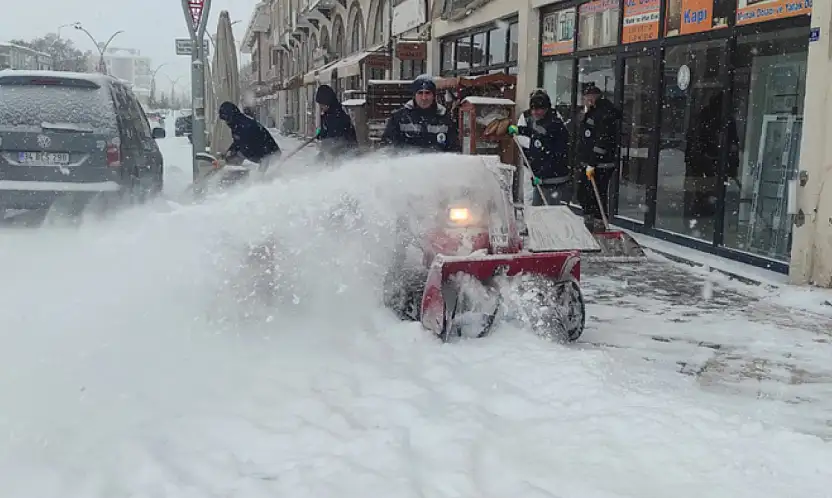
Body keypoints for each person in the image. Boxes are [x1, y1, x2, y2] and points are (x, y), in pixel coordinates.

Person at [507, 89, 571, 206]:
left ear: (546, 109)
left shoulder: (554, 126)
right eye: (532, 109)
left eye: (538, 109)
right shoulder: (541, 122)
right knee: (537, 210)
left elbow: (554, 155)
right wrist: (519, 130)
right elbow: (533, 132)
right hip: (541, 179)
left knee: (551, 211)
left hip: (553, 180)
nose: (534, 112)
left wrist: (542, 174)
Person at [577, 84, 622, 232]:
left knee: (597, 194)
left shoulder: (604, 113)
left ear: (594, 97)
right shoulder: (591, 112)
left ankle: (599, 223)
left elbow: (602, 141)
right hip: (589, 162)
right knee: (584, 193)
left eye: (587, 97)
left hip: (600, 164)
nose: (585, 100)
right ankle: (589, 220)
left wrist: (592, 162)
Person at [381, 75, 459, 153]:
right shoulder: (399, 118)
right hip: (406, 159)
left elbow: (454, 149)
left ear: (433, 96)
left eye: (427, 93)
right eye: (420, 93)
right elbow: (388, 146)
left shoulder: (445, 118)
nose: (424, 98)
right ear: (414, 95)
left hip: (437, 160)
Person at [218, 101, 281, 171]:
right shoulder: (237, 124)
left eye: (226, 119)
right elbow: (237, 143)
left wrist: (227, 160)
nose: (226, 122)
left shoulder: (244, 125)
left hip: (270, 155)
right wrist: (228, 153)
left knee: (241, 154)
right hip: (264, 153)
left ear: (230, 116)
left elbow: (243, 146)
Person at [314, 84, 358, 162]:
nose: (321, 107)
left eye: (322, 104)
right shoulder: (327, 114)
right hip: (335, 151)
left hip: (346, 152)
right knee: (318, 161)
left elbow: (336, 138)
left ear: (327, 102)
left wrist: (325, 140)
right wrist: (321, 134)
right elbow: (327, 132)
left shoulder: (338, 115)